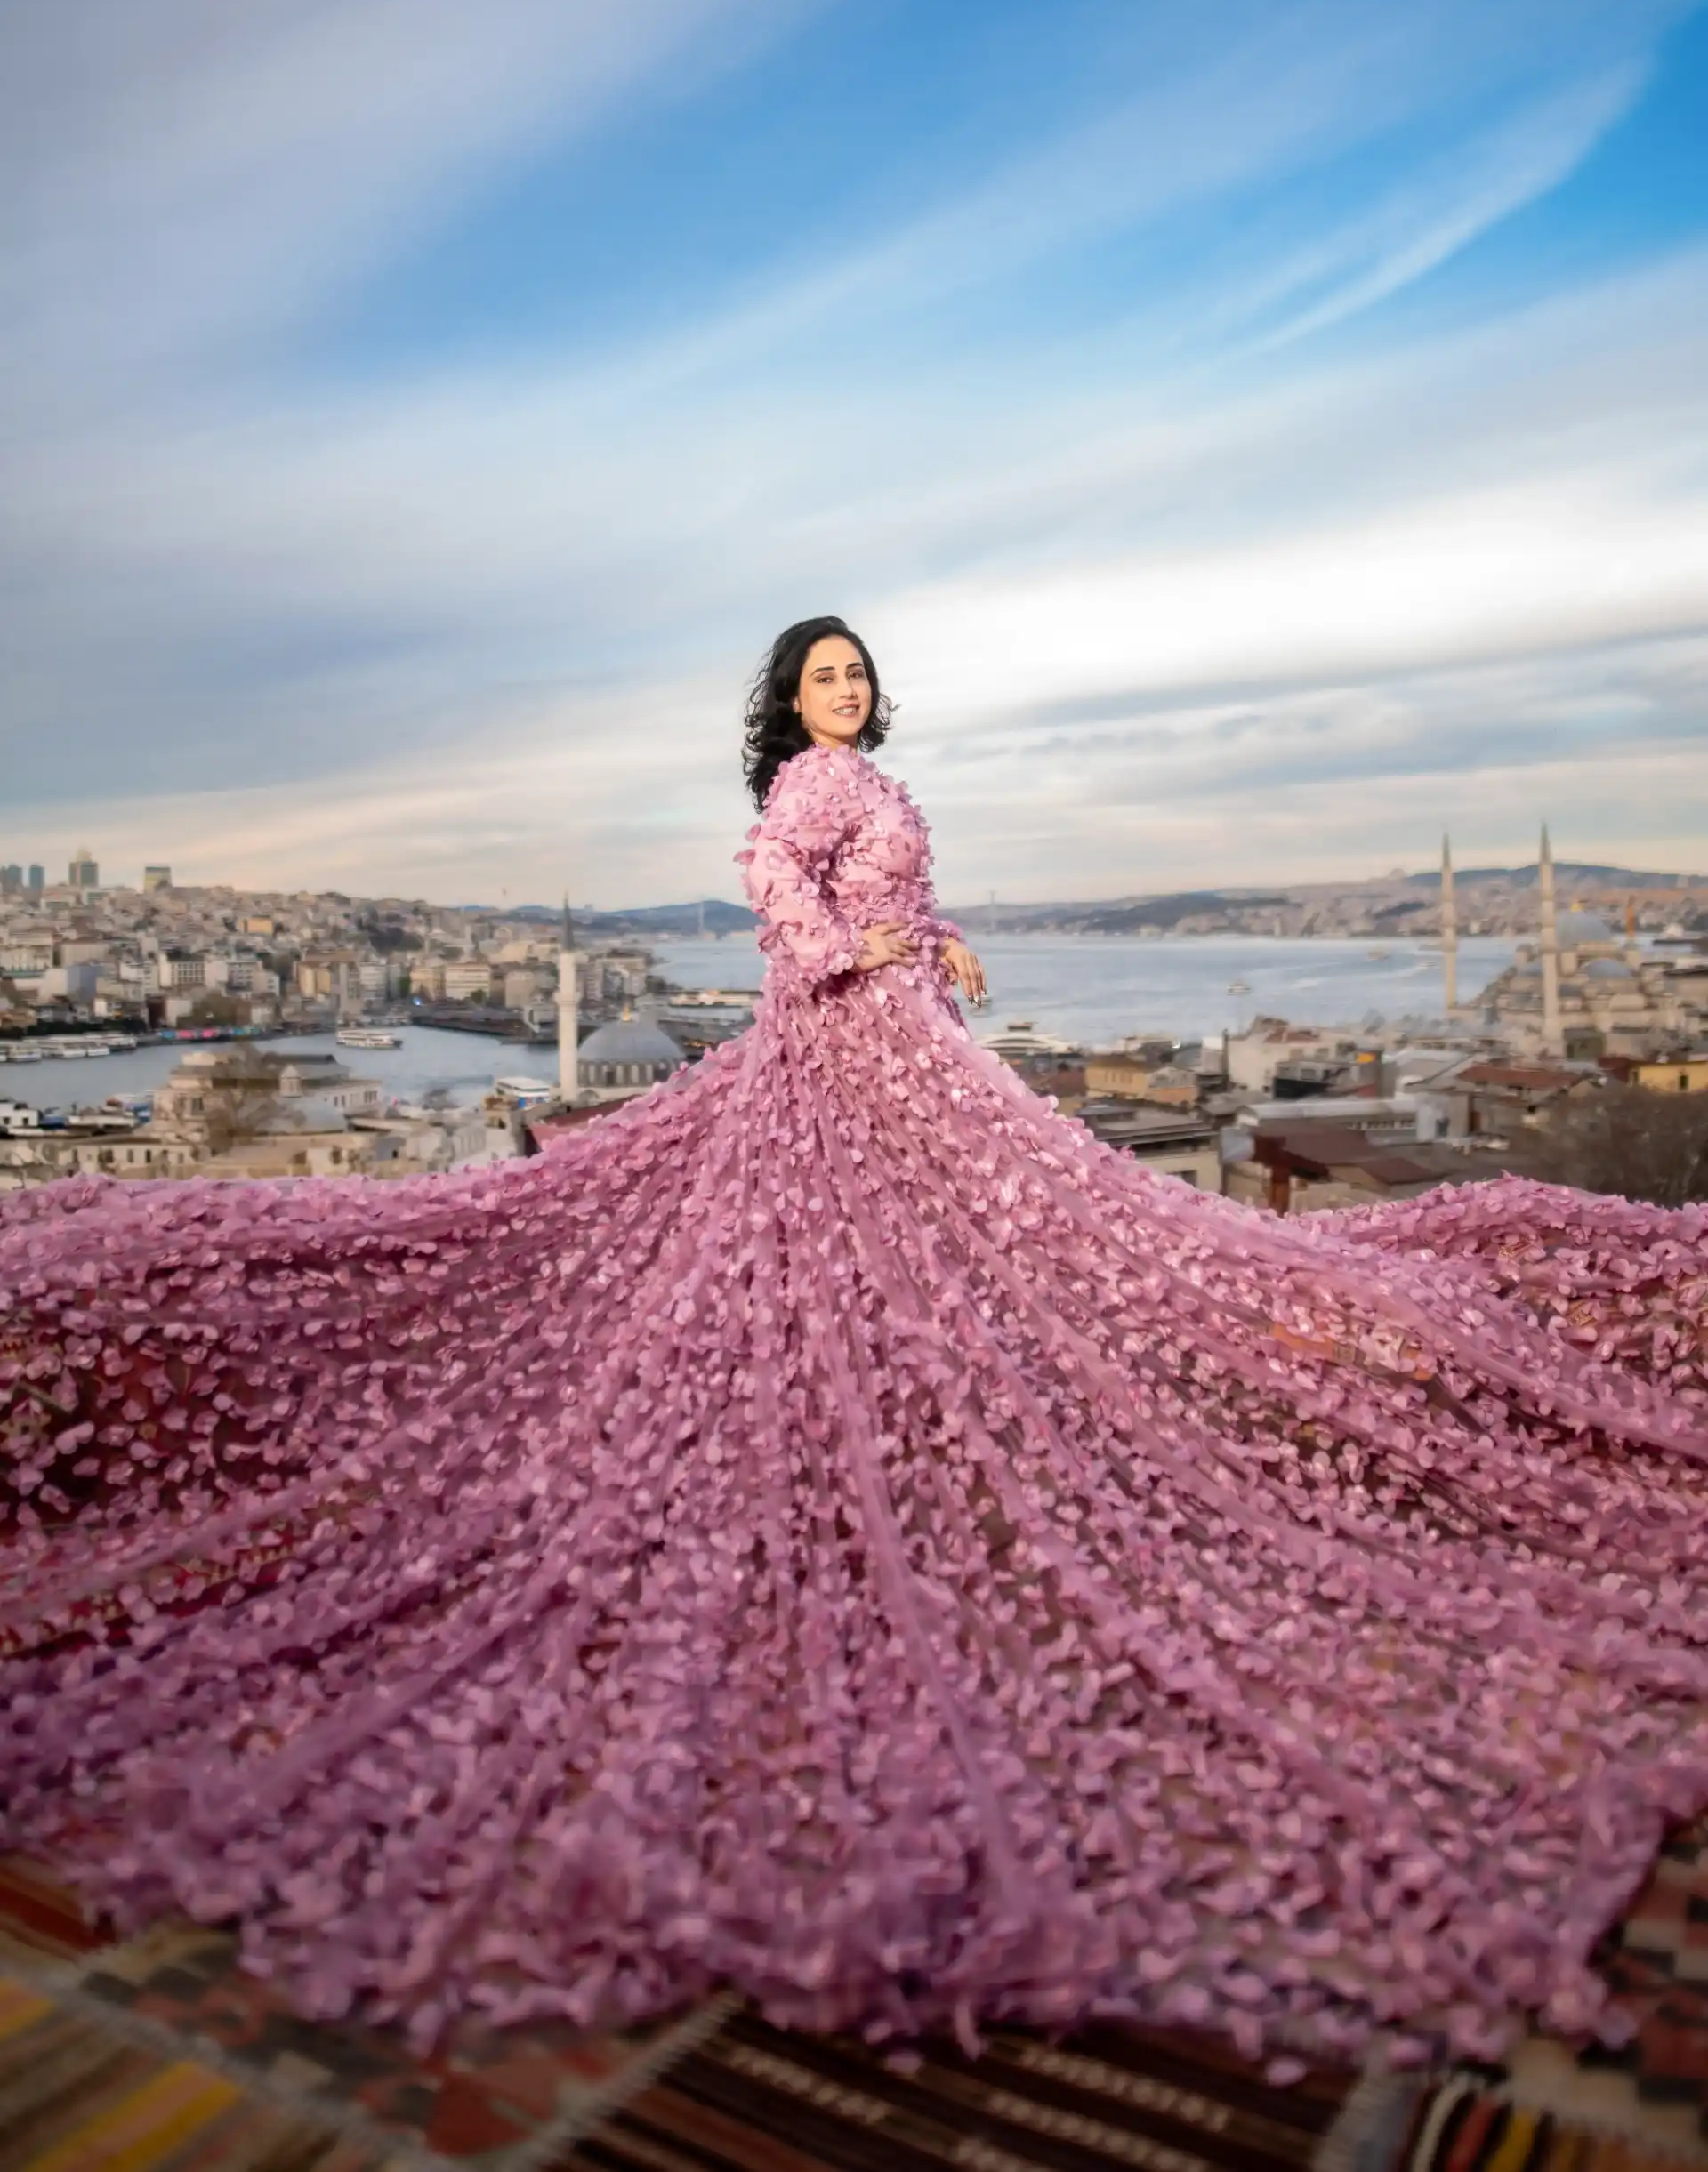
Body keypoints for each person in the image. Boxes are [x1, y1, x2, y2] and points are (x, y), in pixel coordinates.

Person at [1, 613, 1704, 2070]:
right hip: (851, 1040)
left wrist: (930, 940)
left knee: (958, 1233)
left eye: (859, 672)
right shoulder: (808, 791)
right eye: (821, 670)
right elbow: (774, 894)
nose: (843, 688)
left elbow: (859, 894)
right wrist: (854, 949)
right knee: (951, 1232)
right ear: (789, 698)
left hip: (898, 1031)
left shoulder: (877, 783)